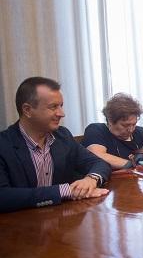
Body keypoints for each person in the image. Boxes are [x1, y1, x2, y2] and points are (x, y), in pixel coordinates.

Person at [0, 77, 111, 213]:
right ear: (27, 110)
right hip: (18, 227)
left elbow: (99, 163)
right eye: (53, 107)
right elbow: (3, 196)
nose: (61, 113)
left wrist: (91, 179)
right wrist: (65, 191)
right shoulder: (4, 145)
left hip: (61, 223)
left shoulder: (62, 136)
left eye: (61, 106)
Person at [82, 93, 143, 169]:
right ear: (110, 121)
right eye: (125, 125)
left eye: (134, 124)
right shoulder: (96, 130)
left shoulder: (139, 132)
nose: (131, 129)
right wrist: (133, 165)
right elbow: (97, 154)